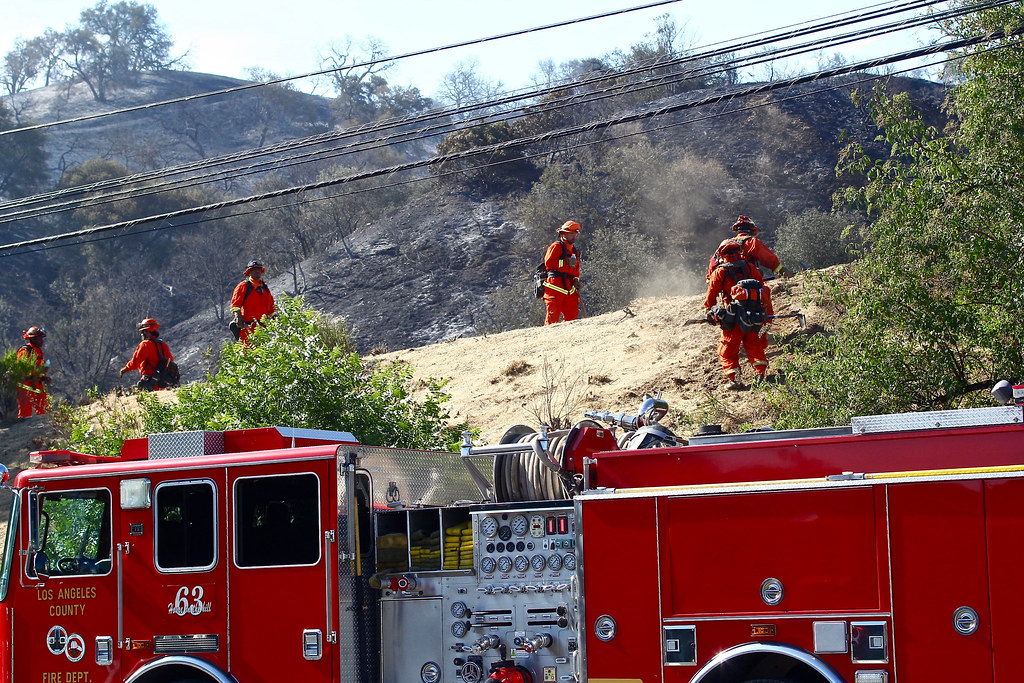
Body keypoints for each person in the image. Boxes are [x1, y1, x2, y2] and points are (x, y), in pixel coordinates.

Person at [704, 241, 774, 389]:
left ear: (722, 255)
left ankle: (735, 380)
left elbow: (710, 299)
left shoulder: (720, 272)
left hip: (733, 318)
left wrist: (711, 313)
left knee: (727, 349)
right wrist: (766, 314)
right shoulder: (750, 267)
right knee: (754, 344)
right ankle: (760, 373)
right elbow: (763, 289)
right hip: (755, 315)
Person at [706, 214, 792, 281]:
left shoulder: (725, 243)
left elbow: (713, 263)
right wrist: (782, 271)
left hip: (726, 283)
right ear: (752, 230)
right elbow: (769, 259)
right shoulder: (752, 241)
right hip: (747, 281)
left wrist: (712, 280)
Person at [119, 319, 178, 391]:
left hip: (149, 383)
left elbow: (135, 362)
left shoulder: (145, 344)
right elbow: (170, 361)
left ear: (146, 332)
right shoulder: (163, 344)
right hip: (162, 383)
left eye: (142, 332)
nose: (141, 334)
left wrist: (125, 369)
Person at [542, 221, 582, 325]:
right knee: (552, 317)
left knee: (572, 315)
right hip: (554, 286)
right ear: (564, 234)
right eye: (571, 234)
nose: (574, 237)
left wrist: (576, 280)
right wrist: (565, 262)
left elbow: (576, 269)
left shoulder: (574, 251)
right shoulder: (556, 246)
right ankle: (548, 338)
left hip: (569, 287)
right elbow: (549, 263)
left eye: (575, 234)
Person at [230, 259, 275, 342]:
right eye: (254, 270)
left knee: (263, 352)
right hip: (247, 328)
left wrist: (276, 320)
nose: (257, 271)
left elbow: (271, 308)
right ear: (249, 272)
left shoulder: (265, 289)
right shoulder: (243, 286)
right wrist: (238, 317)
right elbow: (235, 305)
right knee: (248, 352)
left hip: (263, 328)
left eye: (258, 269)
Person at [16, 326, 49, 418]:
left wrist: (43, 377)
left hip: (36, 383)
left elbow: (41, 367)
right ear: (33, 339)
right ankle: (21, 430)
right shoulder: (25, 350)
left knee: (44, 408)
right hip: (25, 384)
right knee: (25, 410)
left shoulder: (38, 351)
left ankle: (45, 428)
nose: (42, 341)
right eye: (39, 338)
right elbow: (22, 369)